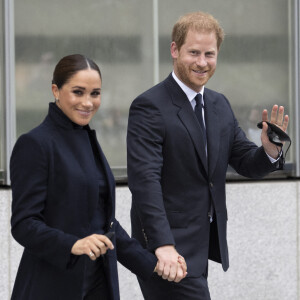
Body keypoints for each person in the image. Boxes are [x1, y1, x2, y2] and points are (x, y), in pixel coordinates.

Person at [127, 11, 289, 300]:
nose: (202, 62)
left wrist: (270, 149)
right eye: (193, 52)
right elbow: (145, 182)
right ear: (175, 50)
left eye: (209, 54)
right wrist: (162, 245)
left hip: (202, 247)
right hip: (166, 252)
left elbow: (244, 162)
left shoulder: (219, 104)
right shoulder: (149, 106)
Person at [10, 54, 186, 300]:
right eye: (78, 92)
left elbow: (105, 224)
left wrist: (152, 263)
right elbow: (24, 225)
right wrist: (73, 244)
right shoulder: (34, 144)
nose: (88, 102)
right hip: (51, 286)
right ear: (56, 90)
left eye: (95, 93)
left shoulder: (88, 141)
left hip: (99, 284)